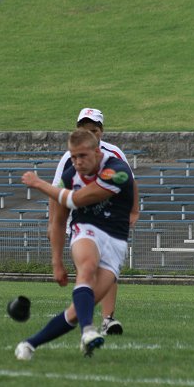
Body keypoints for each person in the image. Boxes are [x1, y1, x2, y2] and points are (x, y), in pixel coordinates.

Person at [16, 129, 135, 360]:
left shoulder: (117, 171)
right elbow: (59, 222)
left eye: (83, 156)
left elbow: (77, 199)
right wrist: (57, 262)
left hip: (116, 240)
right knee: (87, 267)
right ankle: (88, 332)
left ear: (97, 152)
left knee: (76, 312)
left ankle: (29, 344)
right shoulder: (69, 177)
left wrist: (39, 183)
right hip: (86, 230)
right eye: (73, 157)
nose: (78, 162)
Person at [48, 108, 139, 335]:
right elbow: (58, 191)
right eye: (85, 129)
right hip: (82, 221)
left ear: (102, 131)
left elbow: (130, 181)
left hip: (109, 219)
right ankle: (86, 324)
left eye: (95, 130)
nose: (91, 133)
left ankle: (106, 319)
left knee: (108, 270)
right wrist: (54, 223)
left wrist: (134, 211)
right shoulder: (69, 158)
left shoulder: (114, 153)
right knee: (88, 269)